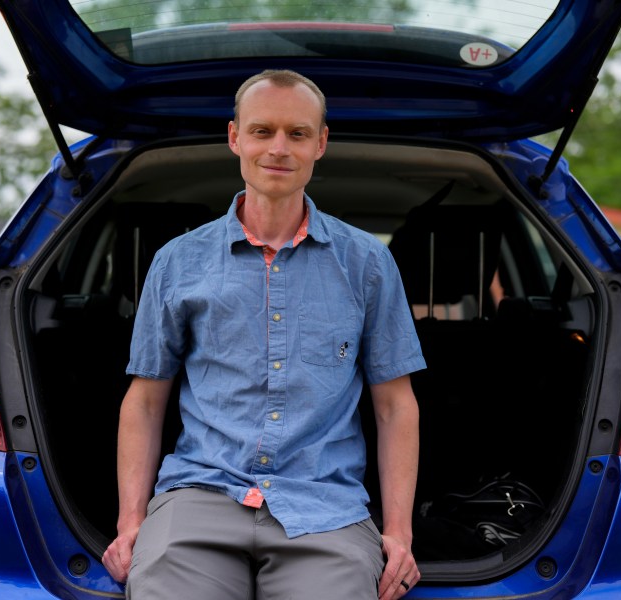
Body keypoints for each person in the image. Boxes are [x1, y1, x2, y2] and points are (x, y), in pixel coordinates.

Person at [102, 69, 426, 600]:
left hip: (325, 506)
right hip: (198, 498)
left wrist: (399, 533)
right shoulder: (177, 263)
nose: (279, 148)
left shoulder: (367, 263)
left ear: (320, 143)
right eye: (262, 131)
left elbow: (395, 405)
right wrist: (131, 520)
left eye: (297, 133)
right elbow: (143, 401)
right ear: (235, 137)